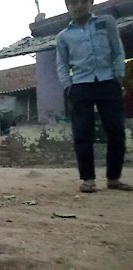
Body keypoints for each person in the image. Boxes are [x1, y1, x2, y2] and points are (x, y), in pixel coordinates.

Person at [56, 0, 132, 192]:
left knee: (116, 130)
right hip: (80, 86)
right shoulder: (63, 36)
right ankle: (88, 179)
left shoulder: (106, 23)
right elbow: (62, 65)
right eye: (73, 3)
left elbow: (117, 51)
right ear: (67, 6)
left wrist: (119, 76)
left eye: (83, 1)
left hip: (108, 82)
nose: (78, 6)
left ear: (91, 3)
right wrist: (68, 87)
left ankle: (113, 178)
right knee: (82, 133)